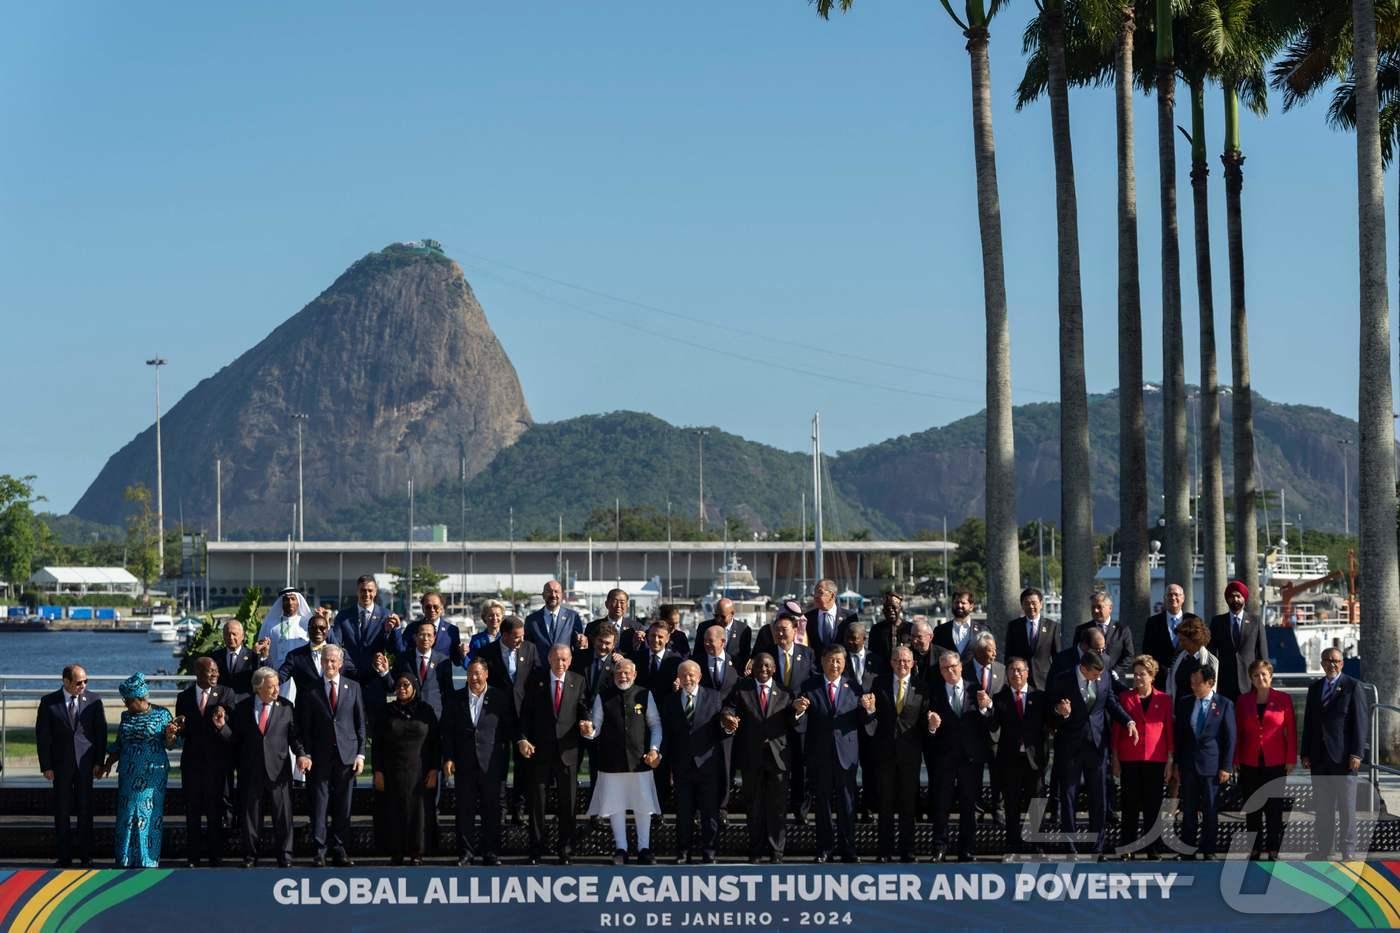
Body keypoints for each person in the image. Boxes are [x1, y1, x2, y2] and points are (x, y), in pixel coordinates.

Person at [1047, 648, 1138, 856]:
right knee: (1068, 796)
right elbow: (1049, 711)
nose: (1098, 678)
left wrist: (1128, 721)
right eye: (1094, 674)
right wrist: (1059, 712)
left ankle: (1097, 845)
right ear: (1083, 668)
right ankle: (1069, 845)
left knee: (1099, 796)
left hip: (1096, 746)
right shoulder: (1063, 679)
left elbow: (1111, 703)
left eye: (1100, 674)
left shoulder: (1104, 677)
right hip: (1070, 746)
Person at [216, 666, 309, 868]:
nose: (276, 691)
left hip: (279, 772)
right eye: (271, 687)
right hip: (251, 770)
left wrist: (302, 755)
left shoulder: (286, 707)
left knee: (283, 817)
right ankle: (250, 857)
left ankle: (285, 856)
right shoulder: (242, 708)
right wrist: (222, 727)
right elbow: (235, 740)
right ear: (258, 688)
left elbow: (294, 737)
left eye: (277, 686)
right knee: (250, 817)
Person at [792, 645, 873, 864]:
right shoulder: (809, 686)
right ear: (822, 660)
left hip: (846, 756)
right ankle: (824, 849)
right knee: (823, 805)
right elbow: (799, 722)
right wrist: (798, 710)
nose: (834, 665)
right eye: (830, 660)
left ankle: (849, 849)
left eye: (838, 660)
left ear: (845, 663)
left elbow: (867, 725)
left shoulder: (855, 688)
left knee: (847, 805)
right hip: (820, 755)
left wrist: (869, 710)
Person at [582, 659, 664, 864]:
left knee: (643, 805)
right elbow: (596, 727)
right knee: (615, 806)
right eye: (619, 672)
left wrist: (654, 749)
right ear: (614, 674)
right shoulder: (604, 696)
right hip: (611, 761)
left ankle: (644, 848)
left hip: (640, 760)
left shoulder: (645, 694)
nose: (623, 676)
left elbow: (655, 725)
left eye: (627, 672)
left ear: (634, 674)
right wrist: (588, 731)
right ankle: (621, 848)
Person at [297, 644, 367, 867]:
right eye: (326, 660)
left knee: (343, 806)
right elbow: (303, 728)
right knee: (319, 805)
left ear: (340, 663)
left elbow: (360, 724)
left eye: (333, 661)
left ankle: (339, 848)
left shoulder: (353, 687)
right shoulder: (310, 690)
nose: (329, 664)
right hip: (319, 758)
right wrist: (304, 754)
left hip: (346, 757)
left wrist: (361, 755)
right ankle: (319, 850)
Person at [518, 645, 589, 864]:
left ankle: (565, 849)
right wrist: (522, 738)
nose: (561, 664)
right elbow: (525, 714)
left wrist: (586, 722)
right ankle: (536, 848)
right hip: (540, 751)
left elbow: (583, 707)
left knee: (568, 804)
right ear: (549, 659)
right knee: (537, 803)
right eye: (557, 659)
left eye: (565, 660)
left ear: (570, 660)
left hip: (567, 752)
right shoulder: (535, 679)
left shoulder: (578, 680)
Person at [721, 653, 794, 863]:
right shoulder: (742, 689)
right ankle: (755, 850)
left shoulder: (785, 692)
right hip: (751, 757)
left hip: (778, 759)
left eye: (767, 666)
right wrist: (728, 717)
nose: (763, 669)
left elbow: (794, 722)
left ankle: (776, 852)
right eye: (759, 666)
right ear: (752, 668)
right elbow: (728, 708)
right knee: (753, 806)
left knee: (777, 808)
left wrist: (798, 712)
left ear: (774, 669)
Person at [442, 660, 516, 865]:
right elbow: (447, 732)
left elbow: (508, 729)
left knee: (491, 811)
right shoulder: (454, 699)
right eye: (470, 674)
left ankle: (490, 852)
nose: (474, 678)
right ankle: (466, 853)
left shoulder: (499, 698)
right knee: (464, 811)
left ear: (486, 674)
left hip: (491, 764)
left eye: (478, 674)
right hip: (464, 764)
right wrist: (448, 757)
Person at [100, 673, 177, 868]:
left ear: (140, 699)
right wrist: (108, 763)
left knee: (149, 815)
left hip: (153, 775)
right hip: (128, 772)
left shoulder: (162, 714)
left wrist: (170, 735)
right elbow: (120, 743)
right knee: (126, 816)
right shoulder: (126, 716)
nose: (125, 705)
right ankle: (125, 859)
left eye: (128, 701)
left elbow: (170, 745)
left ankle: (147, 860)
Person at [36, 664, 106, 868]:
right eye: (78, 682)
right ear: (65, 681)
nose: (83, 685)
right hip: (60, 766)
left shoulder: (94, 700)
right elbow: (42, 737)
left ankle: (86, 856)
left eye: (86, 681)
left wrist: (99, 763)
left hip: (86, 765)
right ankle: (64, 856)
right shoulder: (49, 702)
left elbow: (100, 734)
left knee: (85, 810)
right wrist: (46, 766)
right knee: (62, 811)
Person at [926, 651, 993, 862]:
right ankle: (940, 847)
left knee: (968, 805)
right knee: (941, 805)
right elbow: (925, 727)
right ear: (940, 671)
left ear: (961, 667)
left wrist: (986, 708)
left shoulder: (976, 690)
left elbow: (990, 723)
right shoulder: (933, 692)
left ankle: (967, 849)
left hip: (970, 758)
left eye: (954, 666)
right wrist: (932, 727)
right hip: (944, 757)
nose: (950, 671)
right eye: (945, 668)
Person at [1302, 647, 1367, 860]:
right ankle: (1324, 849)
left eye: (1337, 661)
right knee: (1323, 808)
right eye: (1328, 660)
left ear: (1342, 663)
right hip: (1319, 758)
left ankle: (1348, 851)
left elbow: (1360, 723)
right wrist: (1305, 753)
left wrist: (1357, 753)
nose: (1332, 664)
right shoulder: (1315, 689)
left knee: (1347, 808)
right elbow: (1309, 723)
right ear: (1322, 663)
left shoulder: (1353, 687)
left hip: (1344, 758)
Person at [871, 646, 935, 862]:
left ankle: (908, 850)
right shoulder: (879, 684)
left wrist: (933, 726)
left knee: (909, 805)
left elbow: (926, 721)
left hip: (910, 755)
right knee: (885, 804)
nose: (902, 664)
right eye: (897, 660)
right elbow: (873, 719)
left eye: (906, 661)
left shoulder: (922, 687)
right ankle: (884, 851)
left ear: (913, 663)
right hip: (885, 753)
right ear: (891, 662)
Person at [661, 660, 726, 864]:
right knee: (684, 813)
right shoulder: (670, 701)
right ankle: (683, 852)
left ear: (699, 676)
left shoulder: (714, 698)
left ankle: (709, 852)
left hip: (707, 765)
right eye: (683, 675)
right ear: (678, 678)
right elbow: (667, 735)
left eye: (691, 675)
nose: (687, 679)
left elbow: (721, 730)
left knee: (709, 813)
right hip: (682, 766)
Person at [175, 656, 237, 866]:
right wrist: (179, 728)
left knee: (214, 813)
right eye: (210, 671)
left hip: (217, 765)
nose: (215, 675)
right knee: (192, 812)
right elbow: (182, 733)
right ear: (198, 672)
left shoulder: (226, 694)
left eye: (216, 671)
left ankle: (215, 857)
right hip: (192, 765)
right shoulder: (183, 698)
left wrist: (221, 726)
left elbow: (231, 735)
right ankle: (193, 857)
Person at [372, 671, 439, 865]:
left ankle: (416, 852)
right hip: (392, 771)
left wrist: (434, 769)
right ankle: (396, 851)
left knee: (418, 813)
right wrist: (377, 771)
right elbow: (377, 744)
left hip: (419, 771)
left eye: (406, 685)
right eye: (399, 685)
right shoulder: (386, 711)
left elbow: (435, 742)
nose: (402, 689)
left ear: (414, 688)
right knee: (393, 811)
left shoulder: (426, 711)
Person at [1235, 658, 1296, 860]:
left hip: (1275, 761)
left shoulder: (1283, 699)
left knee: (1274, 808)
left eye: (1264, 674)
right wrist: (1235, 759)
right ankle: (1254, 848)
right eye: (1256, 675)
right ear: (1251, 678)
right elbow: (1237, 733)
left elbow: (1291, 732)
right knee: (1253, 807)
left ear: (1270, 676)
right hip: (1249, 761)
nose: (1260, 678)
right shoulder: (1243, 701)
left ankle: (1273, 848)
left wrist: (1290, 759)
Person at [478, 615, 538, 821]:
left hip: (525, 714)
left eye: (522, 636)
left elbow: (536, 677)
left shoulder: (530, 649)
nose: (520, 641)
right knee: (499, 762)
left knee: (523, 763)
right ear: (504, 635)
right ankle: (500, 807)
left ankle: (518, 807)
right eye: (515, 637)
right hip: (497, 715)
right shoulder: (487, 653)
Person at [1113, 655, 1173, 858]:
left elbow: (1169, 731)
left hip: (1156, 759)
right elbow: (1116, 730)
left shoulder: (1164, 699)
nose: (1138, 678)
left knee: (1153, 806)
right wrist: (1114, 756)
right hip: (1130, 757)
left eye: (1142, 674)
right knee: (1129, 804)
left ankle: (1152, 847)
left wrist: (1170, 760)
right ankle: (1127, 846)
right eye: (1135, 674)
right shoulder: (1125, 698)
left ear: (1152, 676)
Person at [1173, 665, 1235, 859]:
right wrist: (1176, 763)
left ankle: (1209, 849)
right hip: (1189, 764)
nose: (1193, 687)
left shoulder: (1224, 704)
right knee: (1189, 809)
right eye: (1192, 683)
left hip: (1211, 765)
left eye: (1197, 683)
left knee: (1210, 808)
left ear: (1210, 683)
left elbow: (1230, 737)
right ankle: (1187, 850)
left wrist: (1226, 766)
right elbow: (1179, 736)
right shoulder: (1184, 703)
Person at [989, 656, 1047, 856]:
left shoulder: (1040, 697)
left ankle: (1037, 844)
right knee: (1011, 804)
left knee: (1036, 803)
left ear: (1028, 672)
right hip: (1010, 760)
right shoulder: (999, 698)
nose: (1016, 674)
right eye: (1012, 670)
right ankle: (1013, 844)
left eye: (1020, 670)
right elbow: (993, 726)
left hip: (1034, 760)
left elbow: (1051, 724)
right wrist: (986, 708)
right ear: (1006, 674)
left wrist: (1061, 713)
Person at [768, 614, 815, 820]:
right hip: (774, 720)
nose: (780, 634)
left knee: (801, 768)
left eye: (784, 629)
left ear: (795, 630)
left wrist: (802, 703)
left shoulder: (807, 654)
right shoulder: (766, 655)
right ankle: (776, 811)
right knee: (775, 768)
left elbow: (813, 683)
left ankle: (800, 811)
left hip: (800, 719)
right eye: (777, 630)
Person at [333, 575, 402, 686]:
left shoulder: (386, 615)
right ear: (357, 592)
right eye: (363, 590)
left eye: (370, 590)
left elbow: (395, 649)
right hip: (349, 677)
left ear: (375, 592)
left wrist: (396, 629)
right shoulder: (343, 616)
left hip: (374, 678)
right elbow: (335, 644)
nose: (366, 594)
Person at [379, 618, 454, 720]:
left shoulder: (443, 661)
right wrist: (384, 673)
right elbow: (392, 687)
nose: (425, 638)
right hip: (407, 716)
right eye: (422, 634)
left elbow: (448, 692)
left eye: (429, 635)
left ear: (434, 638)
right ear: (415, 637)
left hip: (434, 717)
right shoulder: (403, 659)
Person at [1209, 580, 1267, 701]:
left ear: (1244, 599)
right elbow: (1212, 654)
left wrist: (1263, 683)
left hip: (1250, 683)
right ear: (1227, 599)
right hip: (1225, 684)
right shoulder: (1217, 622)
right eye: (1231, 596)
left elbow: (1262, 654)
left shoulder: (1255, 621)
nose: (1235, 600)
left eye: (1238, 596)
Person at [278, 608, 356, 698]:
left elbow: (355, 676)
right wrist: (263, 658)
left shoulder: (341, 654)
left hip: (335, 708)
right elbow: (279, 678)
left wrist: (374, 667)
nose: (318, 631)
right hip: (306, 709)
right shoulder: (295, 656)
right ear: (308, 630)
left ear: (328, 630)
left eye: (322, 628)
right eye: (314, 628)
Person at [1143, 583, 1203, 689]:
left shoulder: (1194, 621)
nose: (1173, 598)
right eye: (1169, 595)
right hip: (1160, 680)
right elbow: (1147, 652)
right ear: (1164, 598)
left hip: (1187, 678)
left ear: (1183, 598)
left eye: (1176, 594)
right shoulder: (1153, 622)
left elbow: (1199, 650)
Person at [258, 588, 311, 702]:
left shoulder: (306, 623)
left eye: (293, 599)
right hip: (278, 676)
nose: (290, 602)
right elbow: (262, 651)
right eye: (286, 599)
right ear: (281, 603)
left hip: (302, 676)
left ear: (299, 602)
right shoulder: (271, 624)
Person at [1073, 591, 1136, 683]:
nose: (1095, 610)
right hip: (1089, 681)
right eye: (1093, 607)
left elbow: (1129, 656)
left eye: (1099, 607)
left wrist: (1115, 671)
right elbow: (1076, 654)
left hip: (1116, 681)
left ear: (1110, 608)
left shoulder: (1122, 630)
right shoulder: (1082, 630)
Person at [1004, 587, 1060, 691]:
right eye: (1027, 603)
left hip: (1044, 680)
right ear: (1022, 605)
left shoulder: (1052, 626)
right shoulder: (1014, 626)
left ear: (1041, 604)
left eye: (1034, 603)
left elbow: (1057, 656)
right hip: (1021, 680)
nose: (1031, 606)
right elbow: (1009, 655)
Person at [524, 579, 587, 666]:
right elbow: (528, 649)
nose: (553, 595)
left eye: (556, 592)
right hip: (539, 673)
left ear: (562, 595)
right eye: (549, 592)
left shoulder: (573, 617)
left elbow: (578, 646)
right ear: (543, 595)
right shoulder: (531, 620)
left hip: (564, 672)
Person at [400, 590, 463, 663]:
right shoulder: (412, 628)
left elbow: (457, 661)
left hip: (441, 673)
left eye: (435, 607)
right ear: (423, 608)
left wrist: (462, 653)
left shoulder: (452, 630)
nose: (432, 610)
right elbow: (402, 651)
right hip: (416, 672)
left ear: (442, 608)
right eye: (428, 607)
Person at [1166, 617, 1218, 700]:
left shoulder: (1211, 661)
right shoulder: (1178, 659)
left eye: (1183, 640)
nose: (1180, 643)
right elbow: (1171, 686)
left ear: (1194, 640)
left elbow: (1211, 691)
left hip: (1198, 710)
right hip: (1178, 709)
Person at [805, 579, 859, 653]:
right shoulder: (808, 617)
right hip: (816, 663)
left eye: (820, 592)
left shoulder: (850, 617)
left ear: (832, 595)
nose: (816, 596)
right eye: (815, 593)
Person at [696, 597, 753, 668]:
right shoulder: (704, 627)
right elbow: (697, 653)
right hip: (709, 672)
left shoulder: (743, 630)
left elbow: (745, 656)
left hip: (734, 673)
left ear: (732, 614)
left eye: (723, 617)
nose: (719, 619)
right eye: (716, 616)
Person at [933, 590, 987, 660]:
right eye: (957, 602)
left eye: (963, 603)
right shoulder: (940, 631)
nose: (959, 605)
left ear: (971, 606)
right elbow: (935, 656)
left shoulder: (982, 630)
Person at [210, 620, 257, 698]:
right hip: (221, 704)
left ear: (242, 636)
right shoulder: (215, 657)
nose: (231, 638)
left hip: (244, 704)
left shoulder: (252, 656)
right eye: (227, 634)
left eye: (234, 634)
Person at [633, 622, 683, 692]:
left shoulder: (676, 661)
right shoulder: (637, 657)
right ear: (648, 636)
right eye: (653, 636)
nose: (656, 640)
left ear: (667, 639)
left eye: (660, 637)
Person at [867, 591, 911, 668]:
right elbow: (872, 653)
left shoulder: (910, 628)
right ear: (883, 611)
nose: (891, 610)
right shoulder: (876, 630)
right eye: (887, 608)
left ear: (900, 609)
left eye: (894, 607)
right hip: (883, 672)